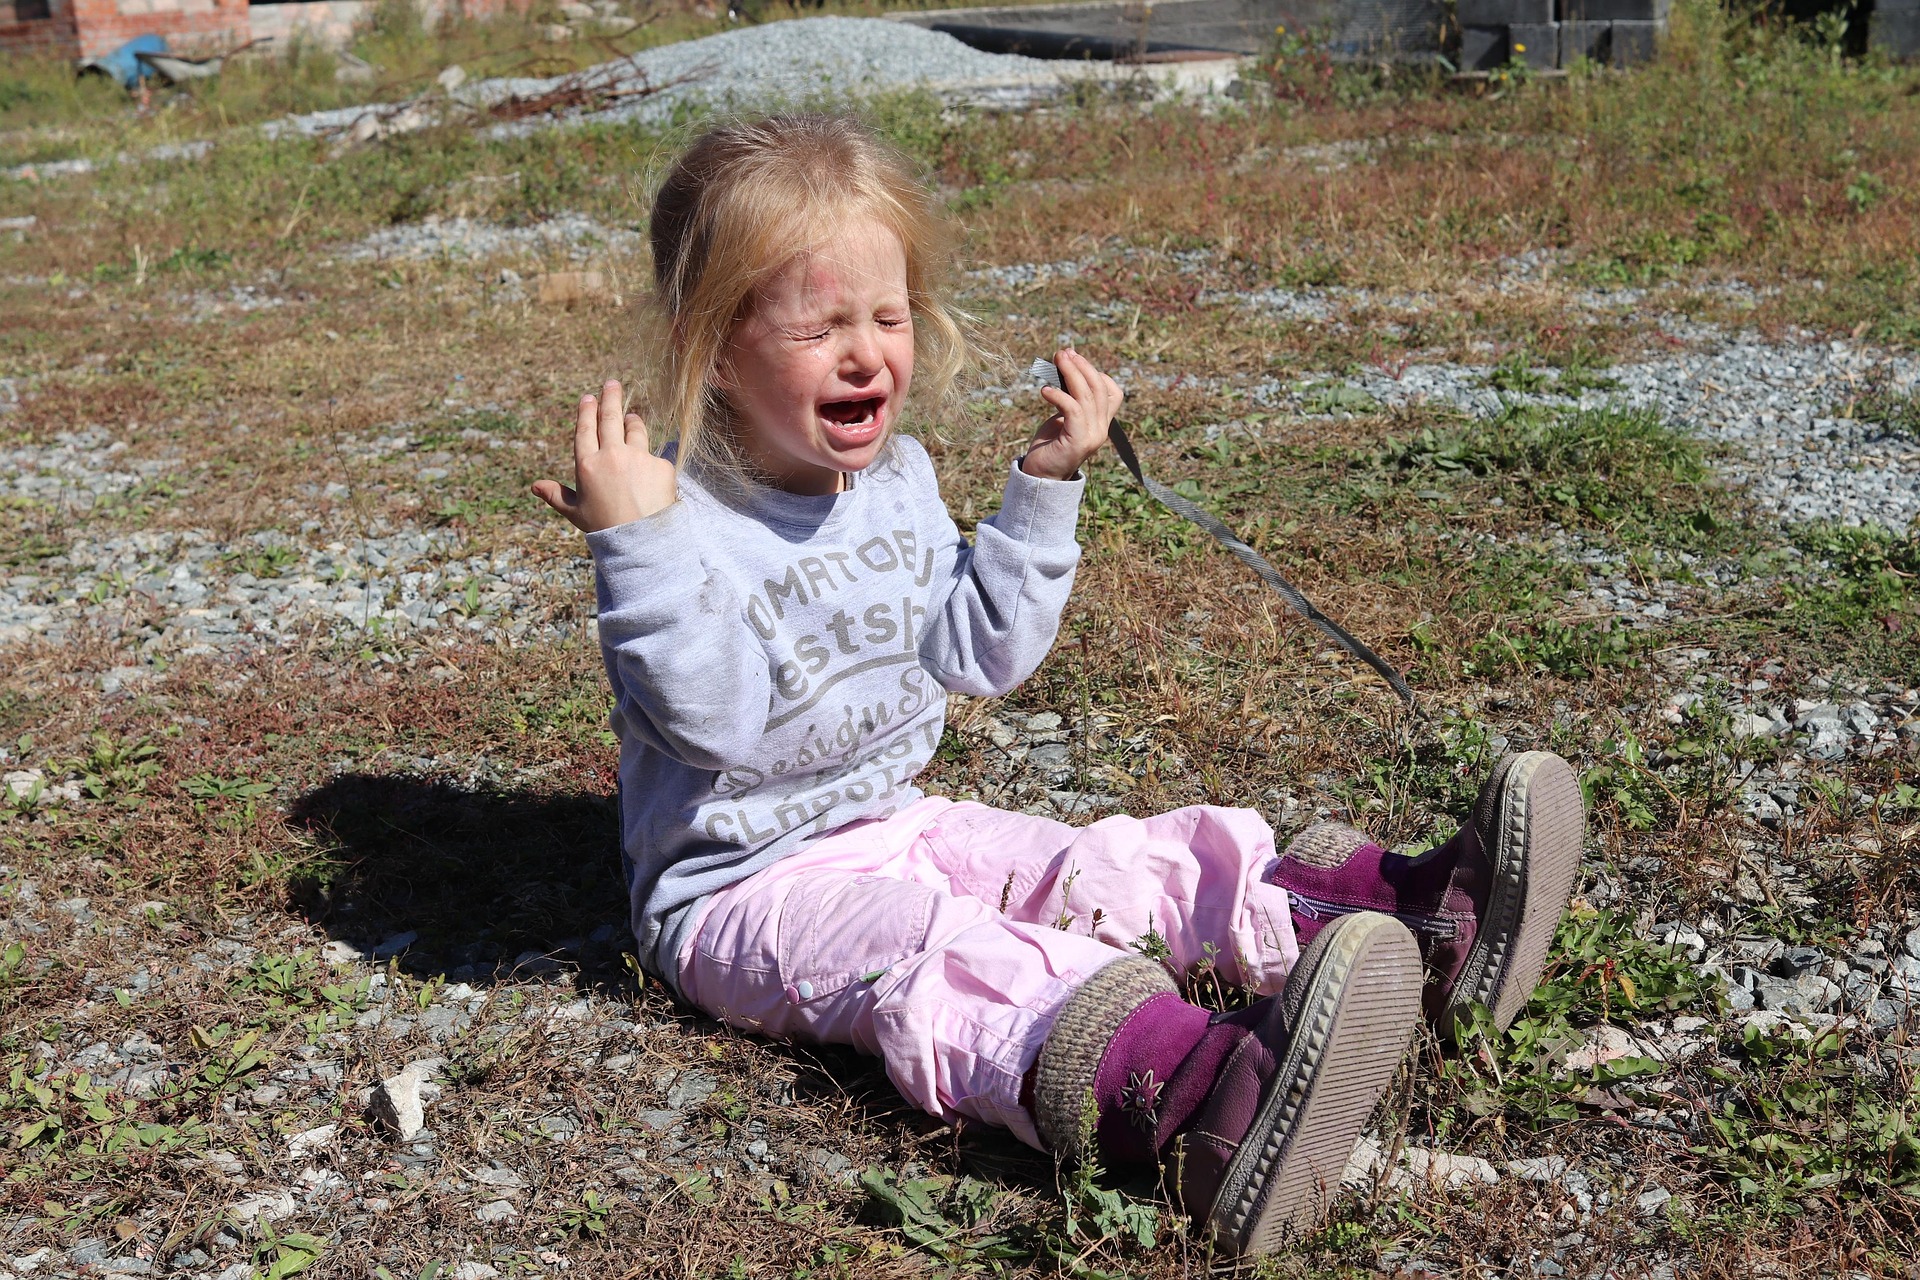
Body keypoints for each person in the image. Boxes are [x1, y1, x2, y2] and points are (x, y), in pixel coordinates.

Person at [532, 114, 1585, 1257]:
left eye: (888, 317)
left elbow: (980, 653)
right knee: (935, 949)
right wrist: (634, 549)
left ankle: (1403, 924)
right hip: (744, 891)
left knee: (1083, 862)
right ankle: (1193, 1101)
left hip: (896, 815)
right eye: (819, 325)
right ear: (714, 343)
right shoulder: (673, 523)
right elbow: (717, 723)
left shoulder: (896, 477)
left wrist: (1041, 487)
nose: (866, 352)